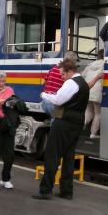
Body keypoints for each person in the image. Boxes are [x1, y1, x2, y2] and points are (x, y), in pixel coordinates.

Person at [32, 59, 89, 200]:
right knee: (69, 158)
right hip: (76, 124)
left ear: (70, 71)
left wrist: (43, 95)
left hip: (63, 122)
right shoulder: (84, 84)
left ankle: (45, 190)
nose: (62, 77)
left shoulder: (71, 83)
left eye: (63, 74)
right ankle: (66, 191)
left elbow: (58, 100)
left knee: (52, 156)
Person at [41, 51, 78, 116]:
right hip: (54, 102)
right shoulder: (67, 73)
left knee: (54, 118)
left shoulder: (53, 68)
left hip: (45, 101)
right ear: (72, 62)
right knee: (57, 120)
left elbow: (43, 82)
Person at [82, 49, 105, 139]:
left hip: (88, 89)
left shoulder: (90, 64)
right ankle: (93, 134)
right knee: (98, 113)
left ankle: (81, 125)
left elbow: (83, 75)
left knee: (88, 111)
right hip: (97, 91)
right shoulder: (105, 65)